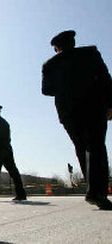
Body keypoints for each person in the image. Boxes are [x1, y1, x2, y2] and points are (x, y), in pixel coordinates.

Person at [42, 30, 112, 210]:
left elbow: (47, 90)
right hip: (94, 107)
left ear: (57, 48)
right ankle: (97, 192)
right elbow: (106, 80)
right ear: (73, 43)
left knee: (82, 147)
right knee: (96, 146)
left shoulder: (50, 64)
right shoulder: (91, 54)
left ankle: (93, 189)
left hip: (68, 113)